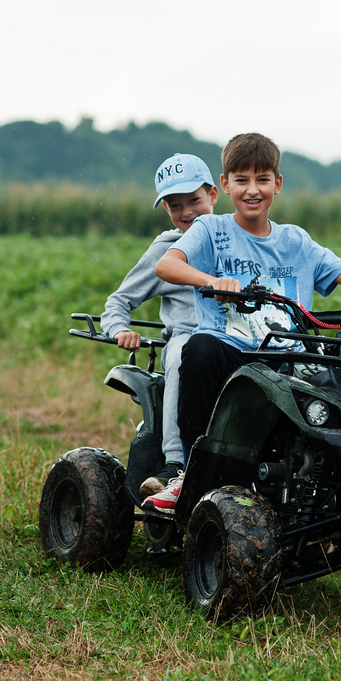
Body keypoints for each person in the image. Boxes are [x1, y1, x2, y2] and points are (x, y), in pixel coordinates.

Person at [142, 133, 341, 514]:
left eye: (262, 180)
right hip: (233, 355)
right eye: (241, 181)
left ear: (278, 183)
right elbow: (167, 265)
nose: (252, 190)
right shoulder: (211, 230)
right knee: (199, 348)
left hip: (288, 358)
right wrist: (212, 281)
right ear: (225, 186)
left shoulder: (296, 242)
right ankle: (188, 472)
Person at [100, 153, 218, 496]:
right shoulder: (166, 248)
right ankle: (174, 463)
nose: (186, 212)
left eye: (194, 200)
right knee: (183, 352)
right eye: (174, 205)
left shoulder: (235, 239)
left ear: (213, 194)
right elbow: (119, 300)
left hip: (235, 340)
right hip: (187, 338)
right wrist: (120, 328)